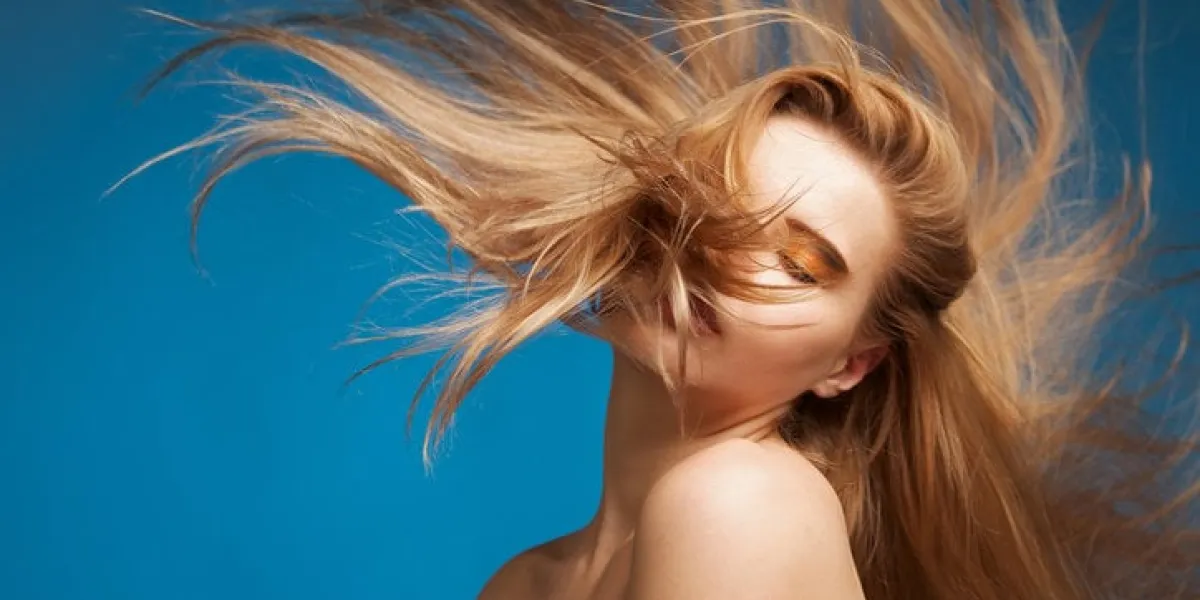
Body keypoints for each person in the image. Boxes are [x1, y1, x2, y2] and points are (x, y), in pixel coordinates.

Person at [126, 1, 1198, 598]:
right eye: (719, 209)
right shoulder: (526, 587)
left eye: (803, 262)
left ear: (850, 363)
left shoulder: (741, 500)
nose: (729, 260)